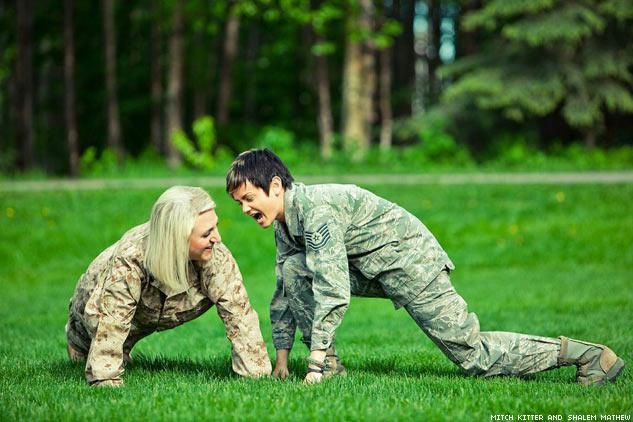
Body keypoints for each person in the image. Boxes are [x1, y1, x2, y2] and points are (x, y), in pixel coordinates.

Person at [225, 148, 625, 385]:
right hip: (369, 266)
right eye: (238, 203)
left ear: (275, 186)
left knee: (472, 356)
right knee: (294, 270)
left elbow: (331, 287)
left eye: (248, 198)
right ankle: (331, 368)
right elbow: (285, 290)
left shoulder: (318, 211)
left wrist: (310, 359)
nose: (244, 209)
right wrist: (281, 359)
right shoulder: (283, 223)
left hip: (412, 265)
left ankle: (587, 356)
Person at [65, 186, 272, 387]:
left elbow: (239, 315)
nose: (217, 237)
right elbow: (111, 319)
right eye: (206, 233)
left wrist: (256, 376)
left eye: (215, 227)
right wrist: (105, 378)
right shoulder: (131, 258)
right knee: (86, 358)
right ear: (177, 237)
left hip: (155, 311)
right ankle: (94, 349)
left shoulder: (215, 255)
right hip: (92, 318)